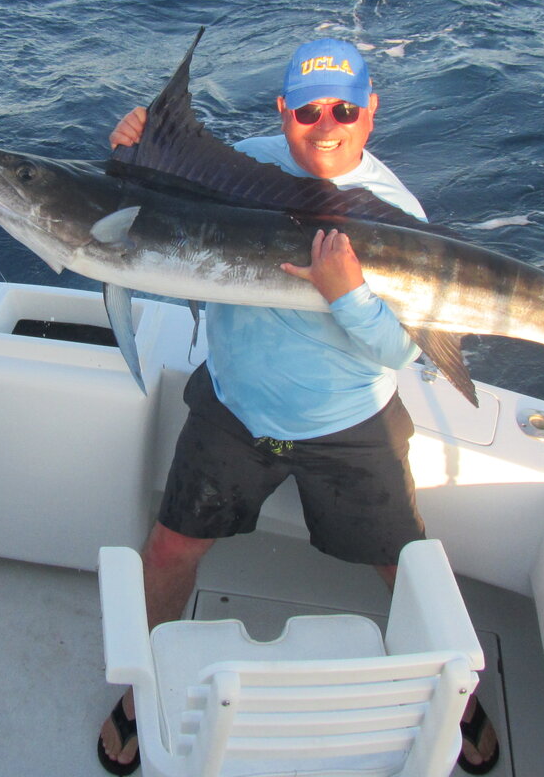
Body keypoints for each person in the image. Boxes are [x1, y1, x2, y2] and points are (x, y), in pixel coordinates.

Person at [96, 38, 500, 775]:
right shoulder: (241, 166)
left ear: (371, 110)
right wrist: (136, 150)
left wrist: (350, 296)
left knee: (400, 566)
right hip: (235, 408)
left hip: (347, 425)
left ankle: (463, 700)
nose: (326, 126)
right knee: (170, 550)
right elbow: (137, 208)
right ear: (284, 111)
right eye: (309, 111)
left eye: (344, 109)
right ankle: (139, 689)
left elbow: (402, 352)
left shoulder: (397, 212)